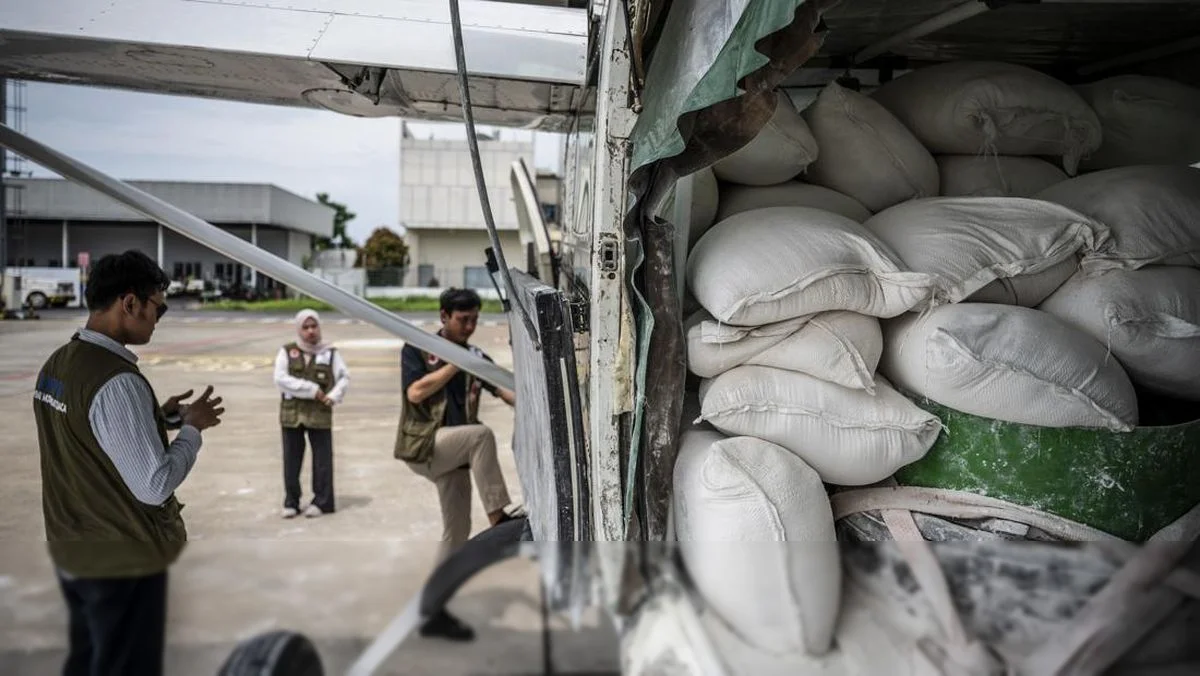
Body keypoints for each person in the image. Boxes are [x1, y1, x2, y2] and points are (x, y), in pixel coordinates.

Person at [32, 249, 224, 676]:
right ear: (130, 302)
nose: (160, 317)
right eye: (160, 306)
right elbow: (154, 485)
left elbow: (87, 437)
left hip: (72, 543)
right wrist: (191, 430)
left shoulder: (58, 364)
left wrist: (160, 416)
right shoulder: (116, 381)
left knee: (88, 656)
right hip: (121, 559)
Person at [397, 287, 521, 641]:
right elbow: (415, 393)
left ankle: (432, 609)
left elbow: (504, 390)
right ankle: (498, 515)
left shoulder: (476, 355)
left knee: (457, 534)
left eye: (474, 319)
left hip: (455, 455)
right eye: (463, 319)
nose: (470, 326)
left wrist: (534, 405)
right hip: (425, 444)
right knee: (481, 435)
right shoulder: (420, 349)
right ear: (444, 317)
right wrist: (456, 362)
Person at [272, 308, 350, 518]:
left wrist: (333, 396)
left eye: (314, 326)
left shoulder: (330, 353)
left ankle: (322, 501)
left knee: (322, 460)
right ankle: (291, 502)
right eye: (305, 327)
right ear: (299, 330)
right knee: (291, 460)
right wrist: (312, 390)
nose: (310, 331)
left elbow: (343, 377)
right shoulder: (288, 352)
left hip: (319, 413)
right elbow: (280, 378)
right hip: (292, 414)